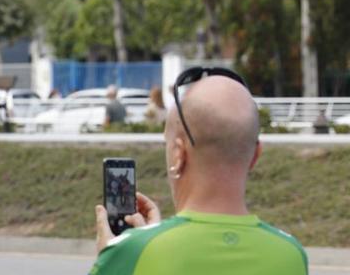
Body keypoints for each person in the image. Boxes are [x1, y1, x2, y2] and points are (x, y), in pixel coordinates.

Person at [90, 67, 308, 275]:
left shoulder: (129, 253)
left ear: (178, 153)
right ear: (255, 156)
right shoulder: (292, 255)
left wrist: (115, 256)